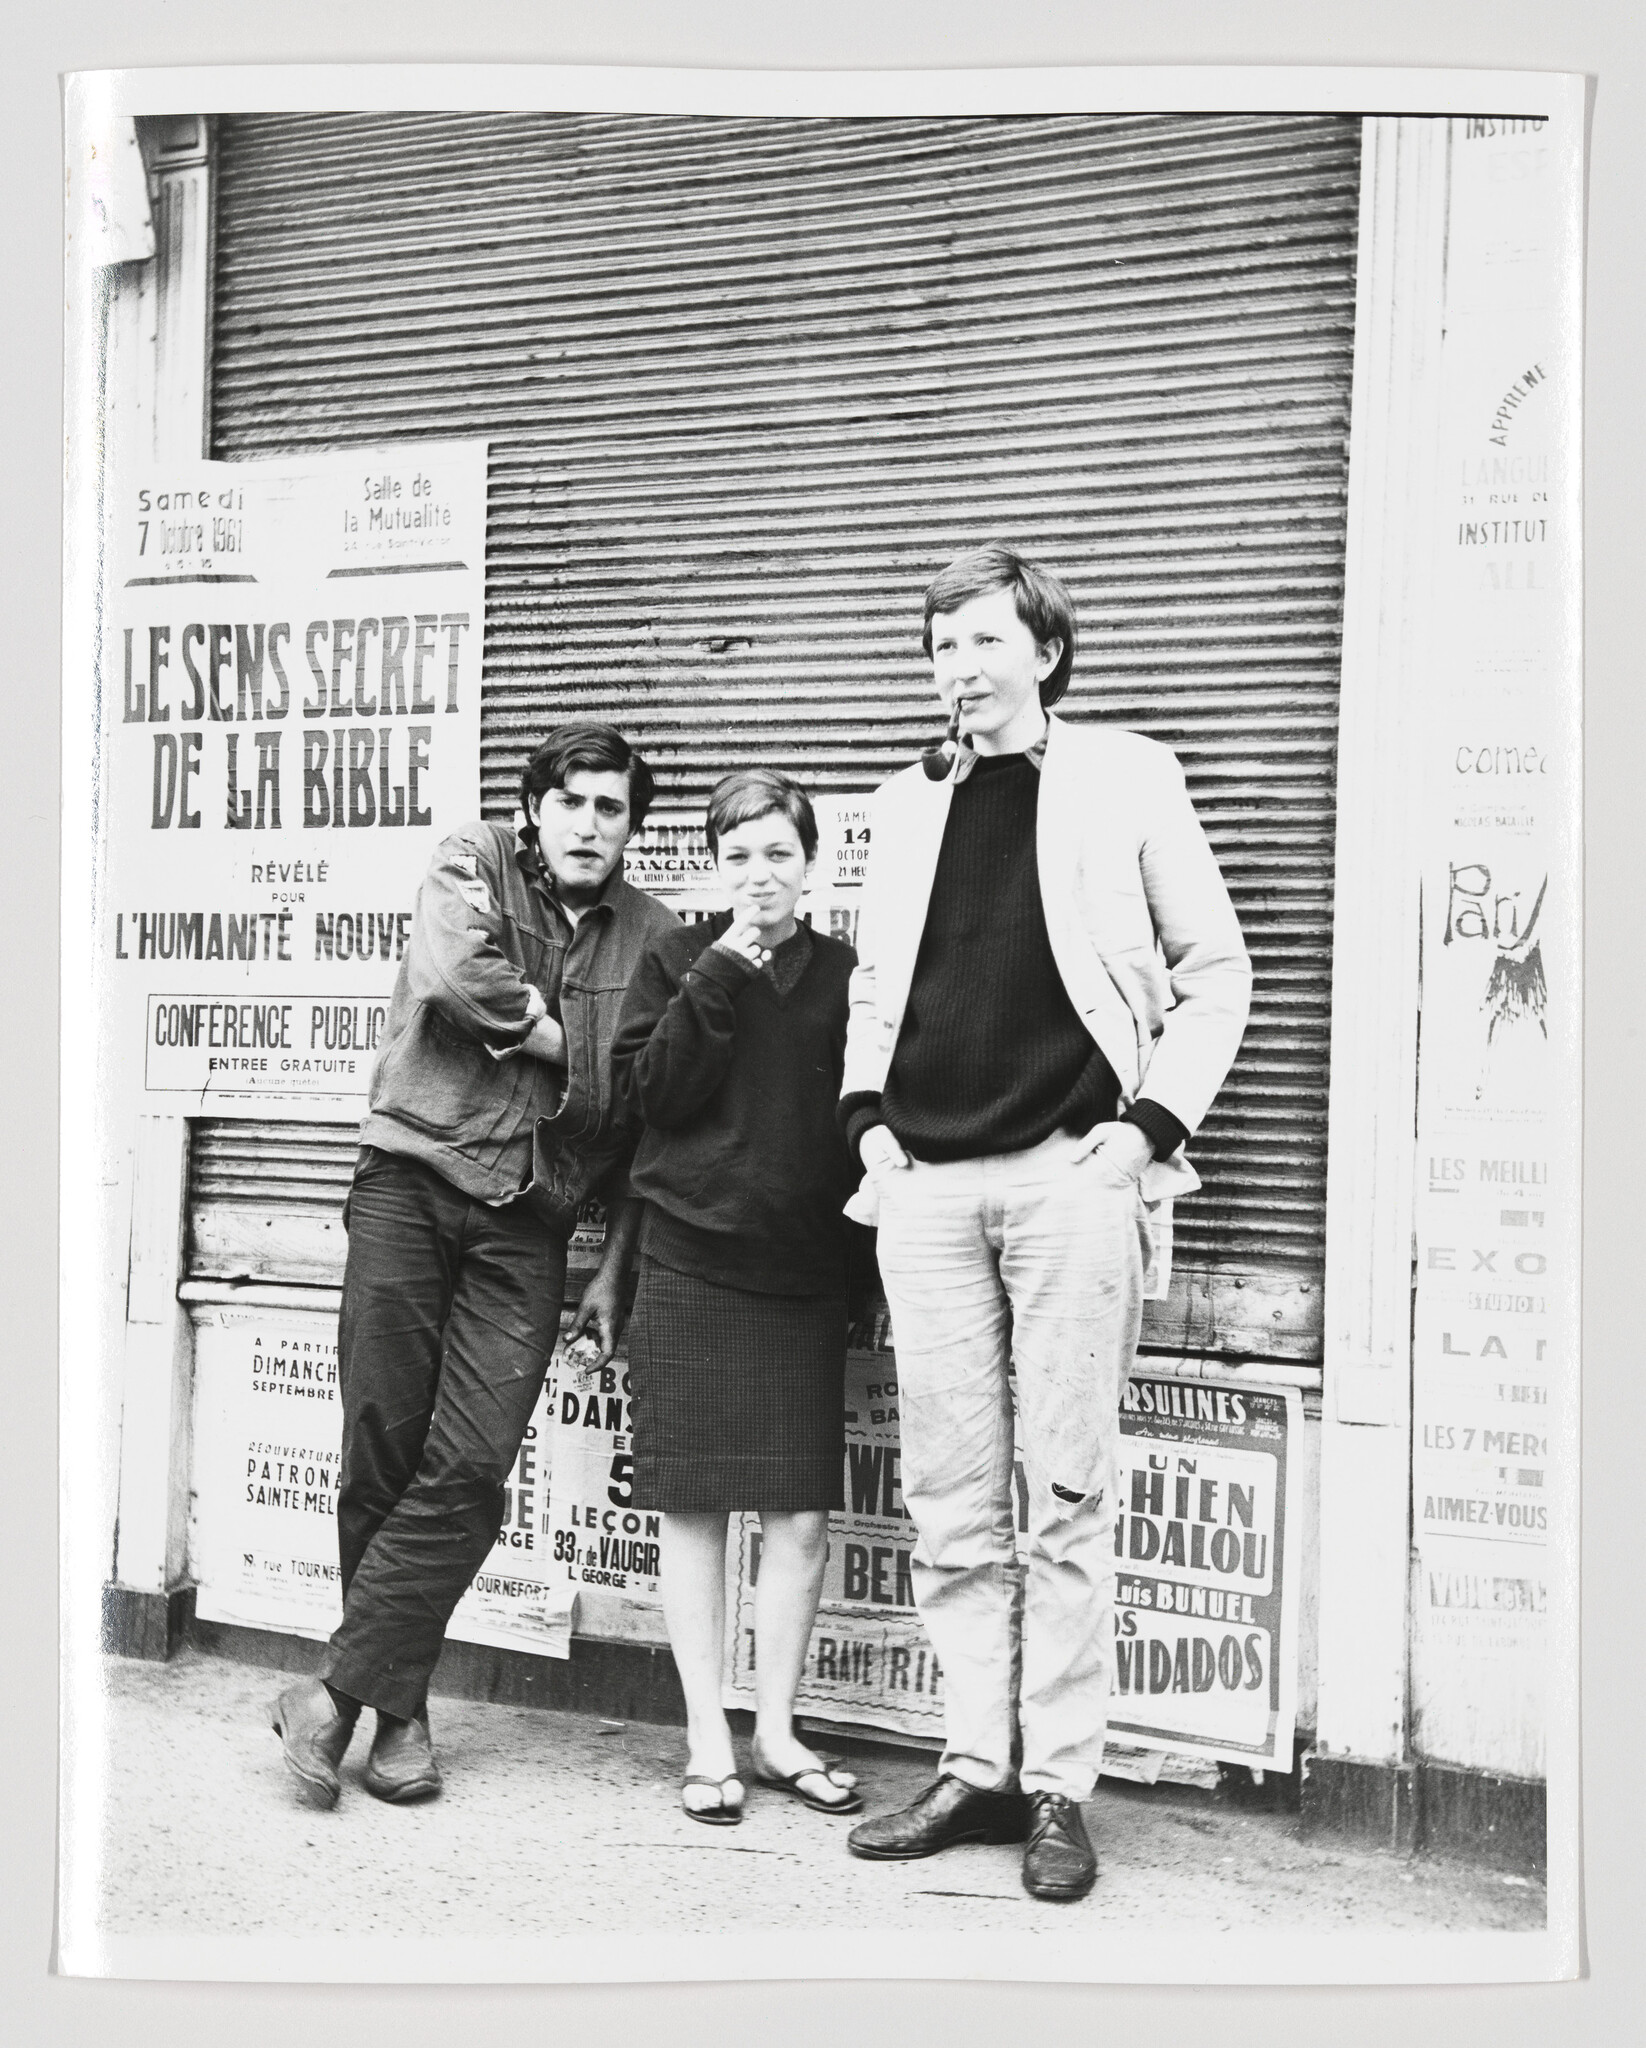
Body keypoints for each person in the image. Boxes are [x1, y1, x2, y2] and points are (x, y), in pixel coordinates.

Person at [837, 543, 1252, 1901]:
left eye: (983, 642)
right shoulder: (899, 807)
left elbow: (1213, 969)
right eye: (940, 646)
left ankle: (1062, 1784)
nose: (960, 669)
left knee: (1063, 1500)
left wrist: (1142, 1135)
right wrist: (871, 1136)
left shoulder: (1123, 776)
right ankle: (973, 1765)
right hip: (930, 1193)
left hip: (1073, 1179)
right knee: (951, 1505)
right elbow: (872, 988)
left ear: (1045, 654)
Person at [270, 722, 679, 1810]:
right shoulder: (473, 860)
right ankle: (398, 1709)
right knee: (380, 1445)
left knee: (469, 1464)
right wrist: (574, 1047)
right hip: (407, 1180)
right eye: (574, 801)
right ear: (536, 807)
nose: (592, 822)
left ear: (634, 825)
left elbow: (653, 1116)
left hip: (532, 1219)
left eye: (613, 807)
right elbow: (457, 974)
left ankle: (333, 1695)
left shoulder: (655, 936)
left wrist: (615, 1265)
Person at [612, 769, 864, 1827]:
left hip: (802, 1271)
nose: (759, 872)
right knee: (695, 1505)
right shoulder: (675, 957)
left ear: (812, 862)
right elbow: (648, 1096)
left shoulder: (849, 972)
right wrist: (717, 968)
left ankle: (776, 1729)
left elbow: (869, 1110)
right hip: (690, 1262)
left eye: (778, 851)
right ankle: (706, 1734)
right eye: (738, 853)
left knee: (800, 1510)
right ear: (712, 864)